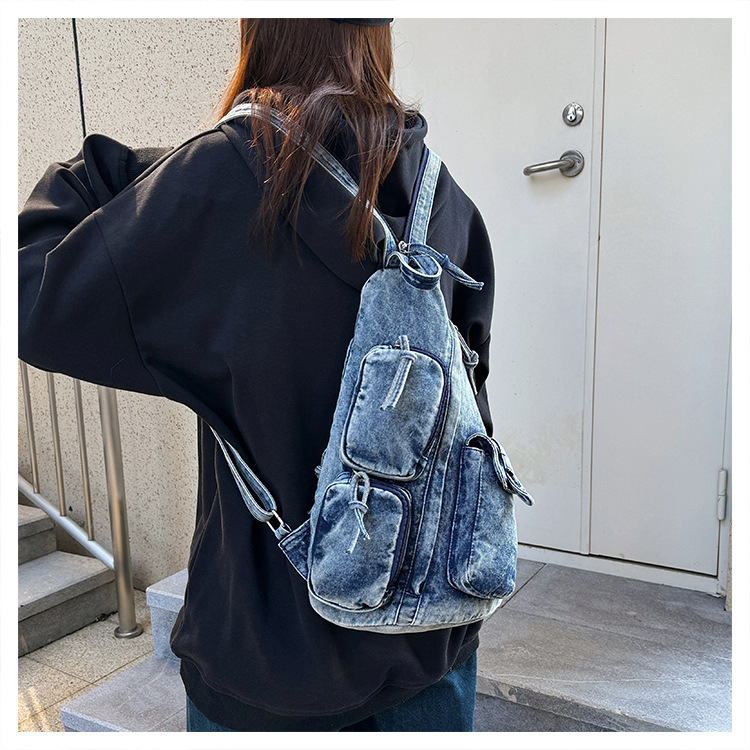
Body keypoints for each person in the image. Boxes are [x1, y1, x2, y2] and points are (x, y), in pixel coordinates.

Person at [18, 18, 496, 732]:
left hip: (266, 669)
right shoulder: (447, 201)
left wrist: (110, 171)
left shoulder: (218, 183)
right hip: (432, 646)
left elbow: (31, 286)